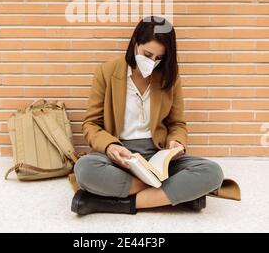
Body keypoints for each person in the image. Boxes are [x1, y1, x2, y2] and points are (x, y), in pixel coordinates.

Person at [71, 16, 224, 215]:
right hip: (121, 157)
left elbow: (177, 124)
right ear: (135, 42)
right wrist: (110, 146)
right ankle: (173, 195)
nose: (152, 62)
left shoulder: (170, 77)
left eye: (159, 58)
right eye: (147, 54)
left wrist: (177, 142)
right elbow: (91, 124)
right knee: (84, 169)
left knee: (212, 172)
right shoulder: (106, 72)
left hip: (157, 156)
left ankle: (111, 204)